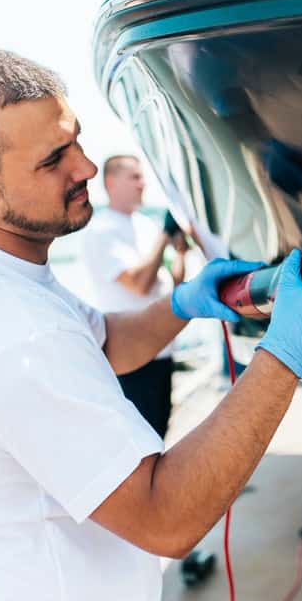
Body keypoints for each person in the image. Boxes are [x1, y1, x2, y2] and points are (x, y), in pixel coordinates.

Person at [0, 44, 302, 601]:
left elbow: (102, 344)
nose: (85, 167)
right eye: (53, 158)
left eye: (76, 137)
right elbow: (166, 519)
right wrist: (283, 356)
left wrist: (185, 302)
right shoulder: (15, 336)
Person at [82, 155, 186, 439]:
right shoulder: (102, 230)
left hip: (163, 348)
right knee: (142, 440)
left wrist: (179, 250)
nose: (143, 184)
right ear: (110, 183)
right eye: (134, 177)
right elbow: (139, 285)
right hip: (133, 355)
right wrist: (165, 236)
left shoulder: (145, 224)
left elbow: (172, 283)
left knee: (159, 432)